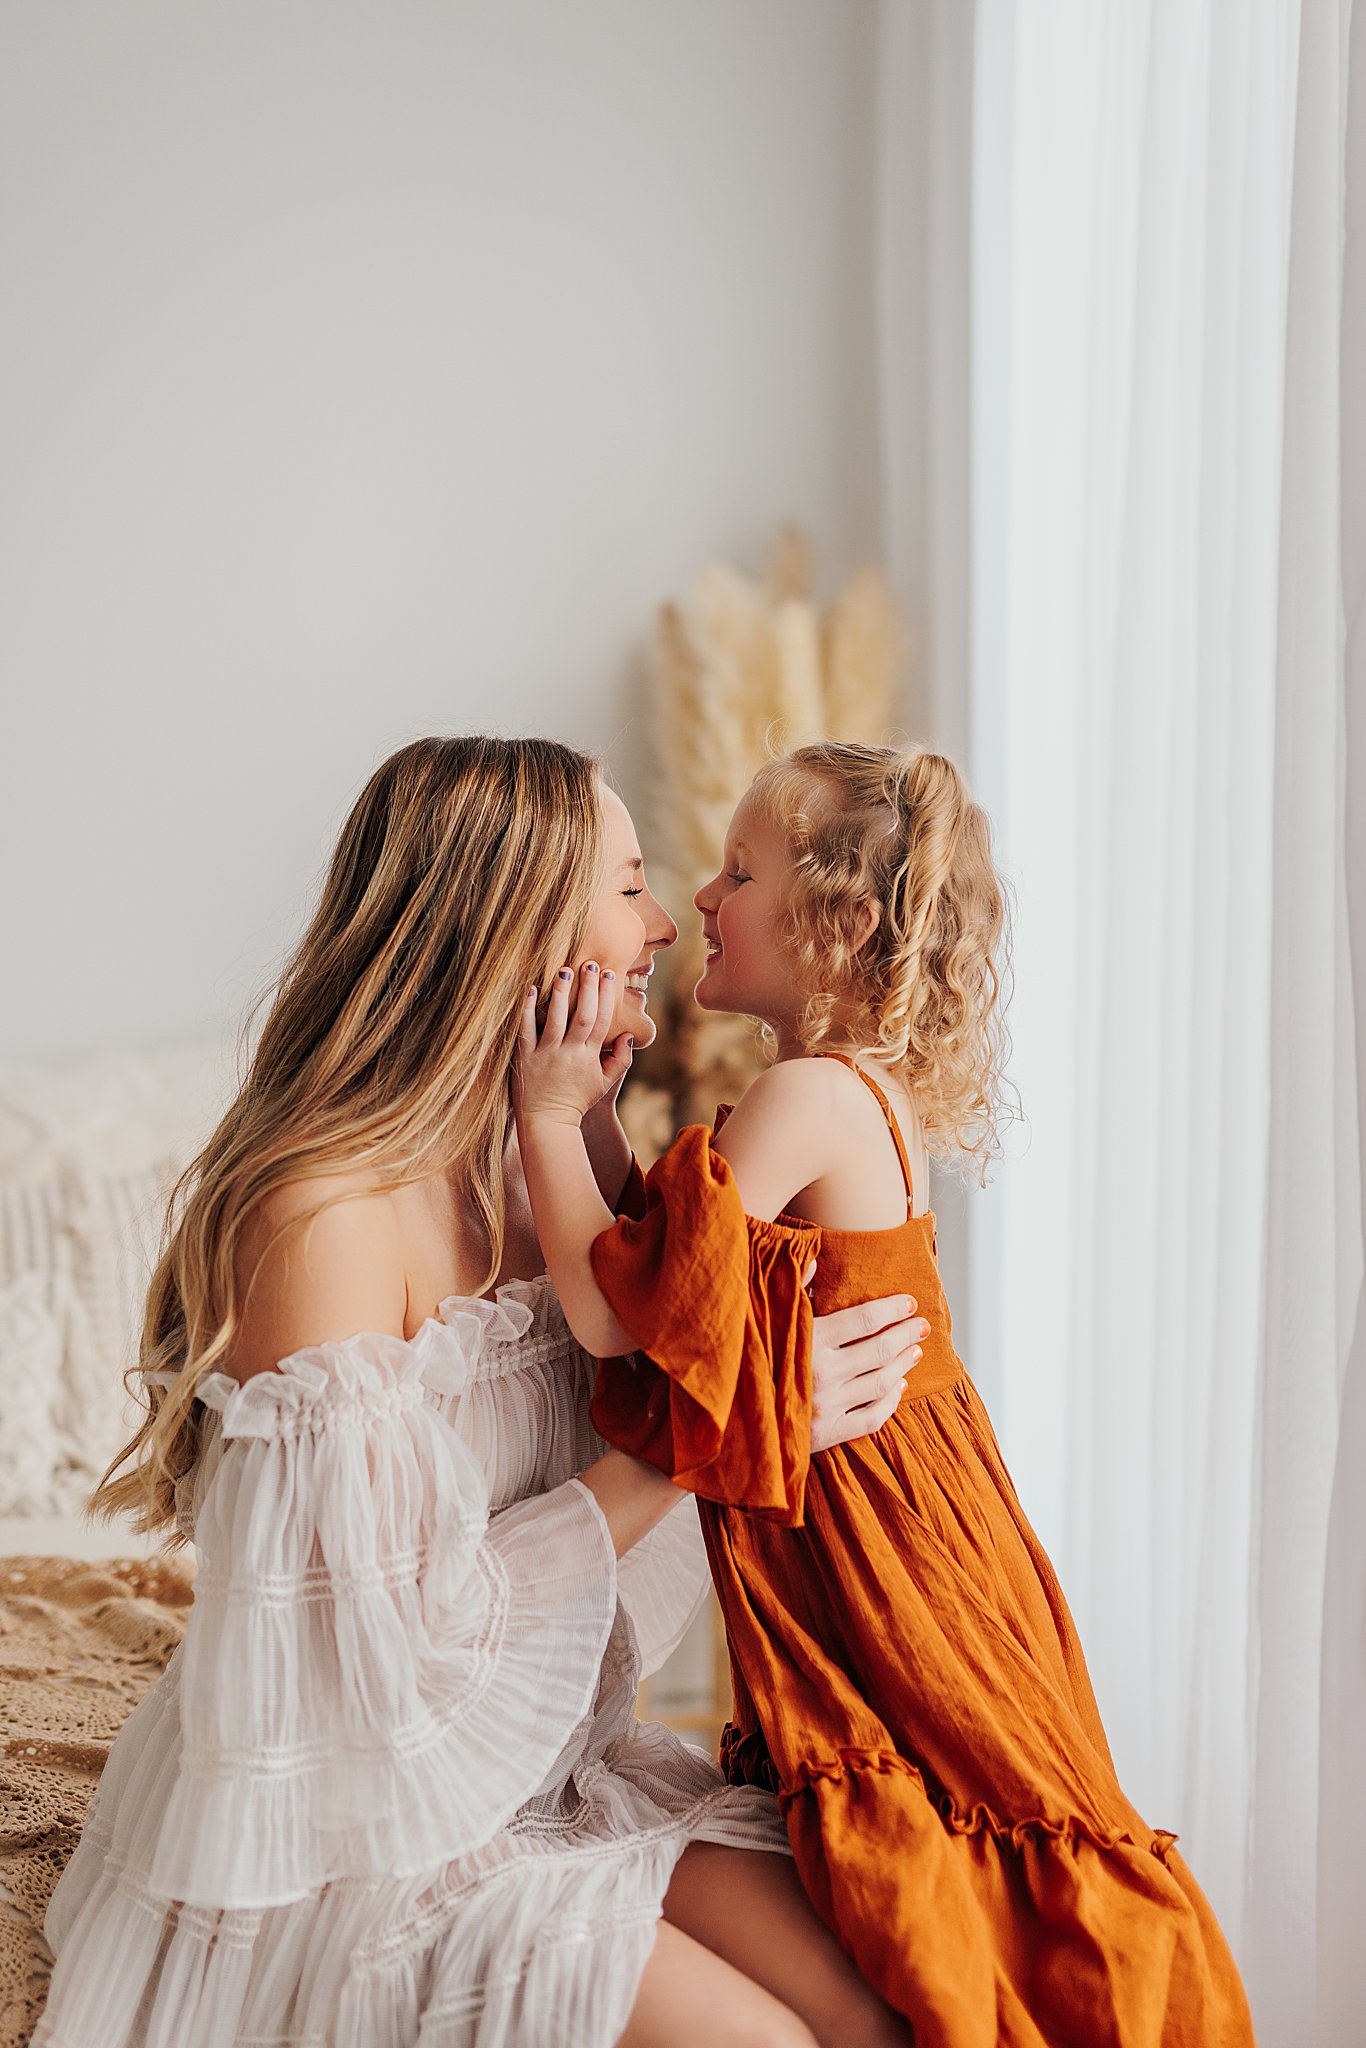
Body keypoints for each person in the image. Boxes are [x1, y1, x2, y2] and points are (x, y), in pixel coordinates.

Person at [33, 735, 922, 2048]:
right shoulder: (316, 1215)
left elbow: (664, 1391)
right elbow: (373, 1665)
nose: (666, 922)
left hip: (543, 1766)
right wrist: (714, 1436)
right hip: (355, 1827)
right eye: (628, 889)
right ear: (515, 928)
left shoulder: (549, 1167)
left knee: (882, 2002)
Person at [515, 740, 1257, 2048]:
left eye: (738, 873)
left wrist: (540, 1112)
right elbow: (669, 1262)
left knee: (948, 1789)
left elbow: (615, 1310)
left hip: (876, 1509)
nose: (700, 898)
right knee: (969, 1770)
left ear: (836, 923)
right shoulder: (847, 1088)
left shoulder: (801, 1094)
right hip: (907, 1483)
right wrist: (593, 1114)